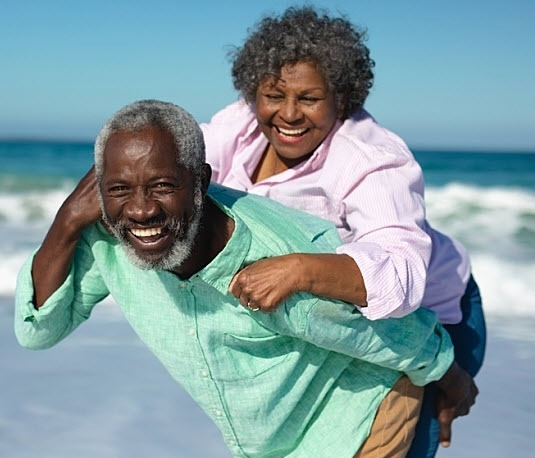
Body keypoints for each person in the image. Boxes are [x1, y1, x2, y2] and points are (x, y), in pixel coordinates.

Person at [15, 100, 476, 457]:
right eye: (119, 189)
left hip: (355, 421)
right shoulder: (115, 240)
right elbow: (38, 330)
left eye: (162, 185)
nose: (141, 209)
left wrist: (449, 375)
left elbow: (378, 332)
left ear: (200, 181)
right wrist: (66, 222)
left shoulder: (272, 264)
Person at [199, 7, 485, 456]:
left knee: (415, 434)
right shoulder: (240, 126)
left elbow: (401, 274)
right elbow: (173, 156)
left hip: (438, 315)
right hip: (357, 326)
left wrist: (300, 270)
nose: (288, 114)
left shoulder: (370, 159)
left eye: (310, 98)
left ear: (342, 96)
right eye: (273, 95)